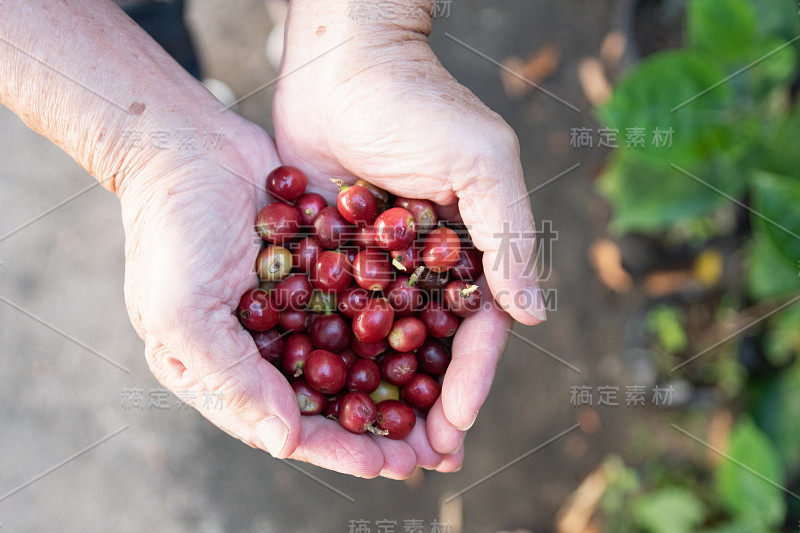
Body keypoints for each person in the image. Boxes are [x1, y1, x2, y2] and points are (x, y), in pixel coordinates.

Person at [0, 0, 546, 479]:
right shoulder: (337, 275)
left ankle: (303, 34)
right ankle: (184, 75)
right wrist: (152, 146)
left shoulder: (354, 279)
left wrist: (366, 35)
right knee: (146, 10)